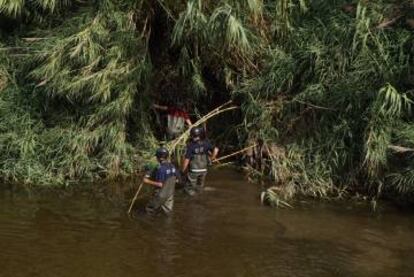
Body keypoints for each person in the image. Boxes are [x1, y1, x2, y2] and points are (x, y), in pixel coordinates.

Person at [182, 127, 219, 196]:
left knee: (189, 189)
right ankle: (200, 197)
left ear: (192, 135)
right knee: (199, 187)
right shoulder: (206, 144)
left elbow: (187, 160)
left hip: (194, 170)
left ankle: (193, 200)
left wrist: (183, 171)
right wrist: (211, 159)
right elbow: (216, 149)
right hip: (204, 170)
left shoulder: (191, 146)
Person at [143, 147, 178, 215]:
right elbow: (177, 180)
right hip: (170, 194)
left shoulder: (161, 169)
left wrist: (147, 181)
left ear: (159, 157)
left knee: (149, 209)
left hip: (161, 194)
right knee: (167, 213)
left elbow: (160, 184)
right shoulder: (172, 166)